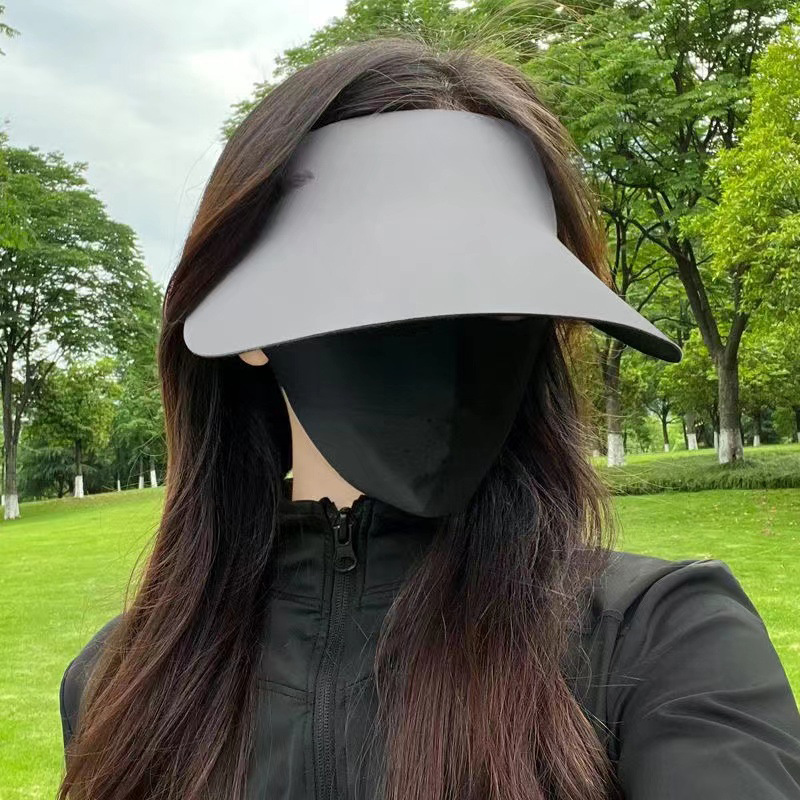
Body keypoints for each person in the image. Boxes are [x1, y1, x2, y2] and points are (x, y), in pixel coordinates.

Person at [58, 38, 800, 800]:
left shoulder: (660, 642)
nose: (446, 347)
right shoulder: (125, 688)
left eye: (501, 297)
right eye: (384, 287)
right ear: (247, 322)